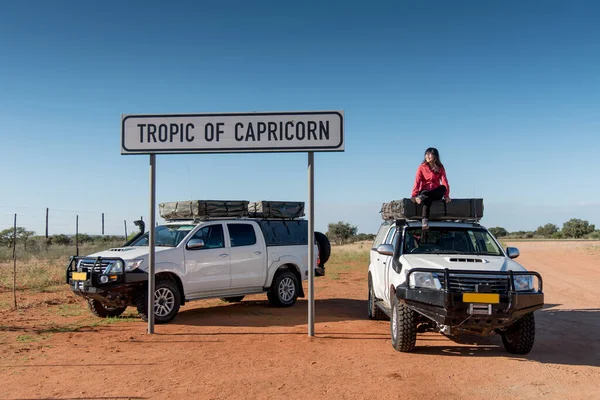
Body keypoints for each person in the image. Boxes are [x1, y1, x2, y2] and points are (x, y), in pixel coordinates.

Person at [411, 147, 451, 230]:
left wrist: (446, 196)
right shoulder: (422, 167)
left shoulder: (440, 167)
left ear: (435, 156)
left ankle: (423, 198)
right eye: (426, 154)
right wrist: (414, 195)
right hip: (424, 190)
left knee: (443, 188)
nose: (427, 156)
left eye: (429, 154)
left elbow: (444, 181)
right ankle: (424, 220)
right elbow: (417, 181)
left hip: (435, 192)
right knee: (427, 197)